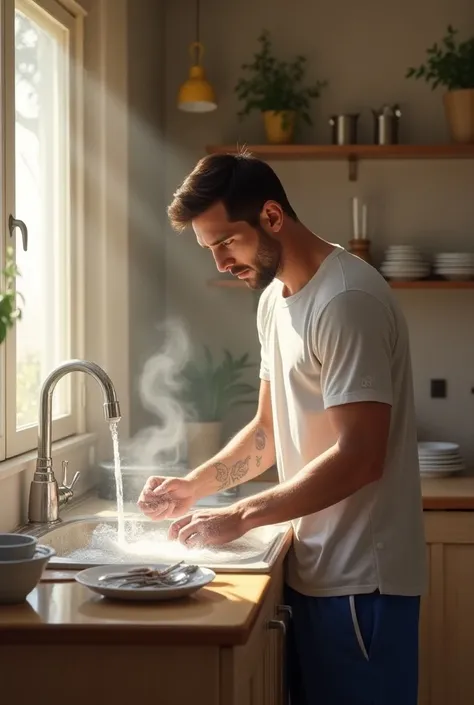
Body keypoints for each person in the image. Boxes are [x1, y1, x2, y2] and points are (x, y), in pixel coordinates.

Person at [137, 150, 427, 705]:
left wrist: (240, 515)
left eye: (226, 242)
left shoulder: (347, 300)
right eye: (209, 249)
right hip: (313, 567)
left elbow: (361, 457)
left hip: (363, 582)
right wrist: (193, 487)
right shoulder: (275, 300)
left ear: (271, 217)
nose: (220, 262)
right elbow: (269, 431)